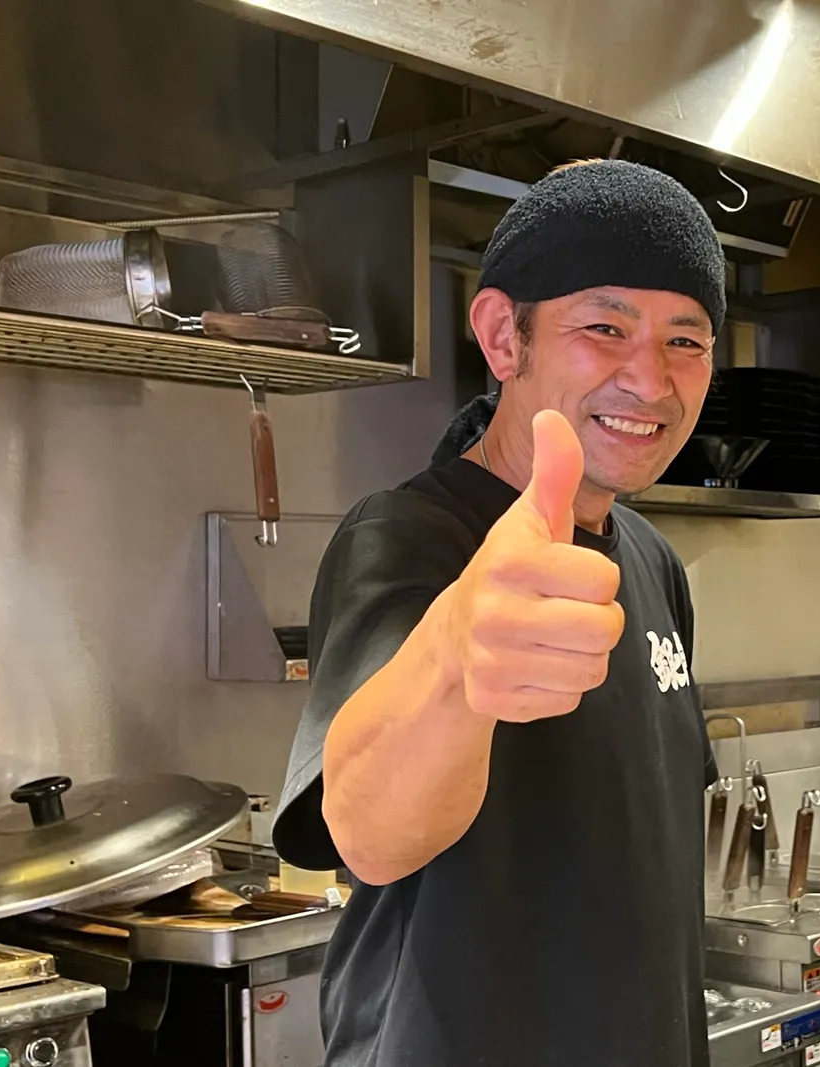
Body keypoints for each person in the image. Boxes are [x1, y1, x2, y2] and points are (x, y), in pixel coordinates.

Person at [270, 159, 727, 1067]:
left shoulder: (653, 561)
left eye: (687, 340)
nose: (653, 379)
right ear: (503, 337)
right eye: (604, 326)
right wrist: (453, 657)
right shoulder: (405, 540)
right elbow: (366, 832)